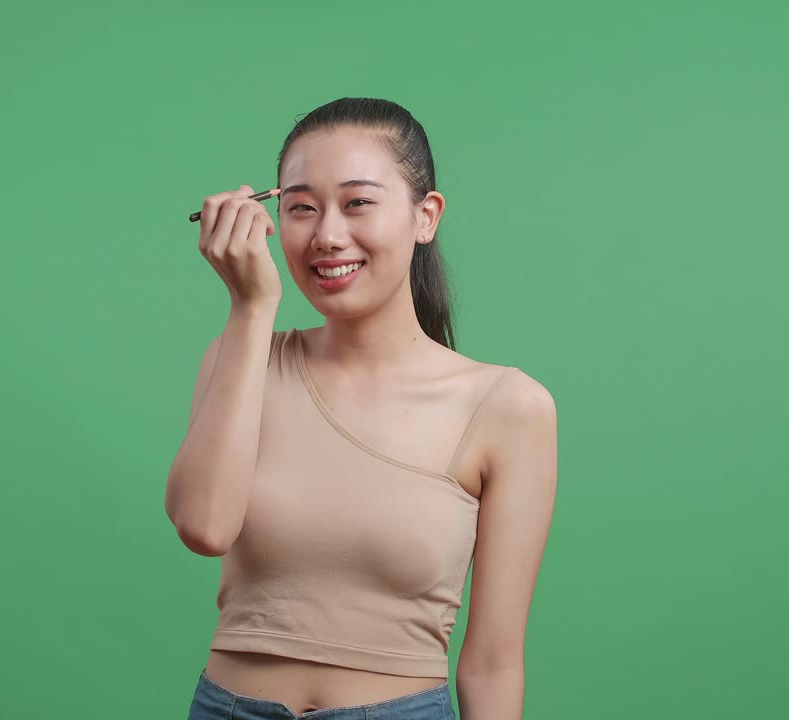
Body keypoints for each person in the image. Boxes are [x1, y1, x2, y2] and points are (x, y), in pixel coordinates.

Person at [167, 97, 557, 720]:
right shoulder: (238, 357)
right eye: (300, 207)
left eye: (357, 203)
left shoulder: (508, 407)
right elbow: (203, 527)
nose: (326, 235)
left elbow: (493, 663)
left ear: (425, 216)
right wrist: (249, 309)